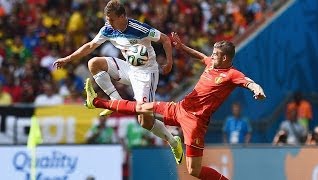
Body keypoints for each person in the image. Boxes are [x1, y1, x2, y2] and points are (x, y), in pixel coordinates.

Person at [84, 33, 266, 180]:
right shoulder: (212, 62)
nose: (212, 56)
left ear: (225, 58)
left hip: (195, 122)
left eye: (216, 54)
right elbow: (200, 56)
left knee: (193, 170)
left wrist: (257, 90)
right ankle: (96, 102)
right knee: (142, 107)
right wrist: (182, 46)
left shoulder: (232, 74)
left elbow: (249, 82)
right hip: (180, 108)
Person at [53, 0, 182, 164]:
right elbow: (91, 45)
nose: (109, 22)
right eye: (107, 19)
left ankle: (173, 141)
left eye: (112, 19)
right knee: (94, 64)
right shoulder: (108, 29)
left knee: (145, 121)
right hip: (128, 68)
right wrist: (68, 58)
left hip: (146, 74)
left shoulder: (139, 28)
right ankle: (116, 100)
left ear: (122, 16)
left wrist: (169, 62)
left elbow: (164, 39)